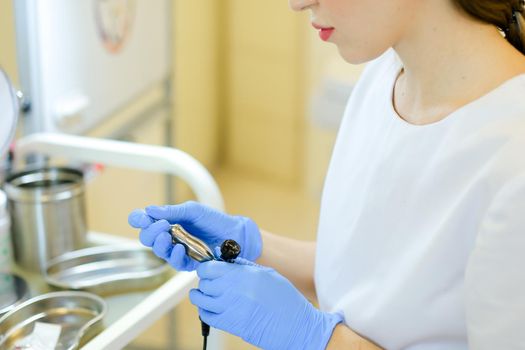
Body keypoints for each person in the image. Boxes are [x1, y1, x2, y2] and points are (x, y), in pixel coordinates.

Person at [128, 0, 525, 349]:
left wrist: (314, 338)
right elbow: (371, 281)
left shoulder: (512, 159)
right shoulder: (384, 77)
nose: (296, 3)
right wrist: (252, 244)